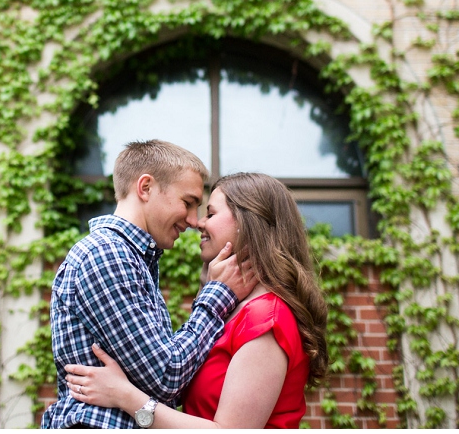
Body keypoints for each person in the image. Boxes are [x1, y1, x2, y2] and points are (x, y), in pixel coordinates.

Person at [63, 172, 329, 429]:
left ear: (249, 222)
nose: (198, 222)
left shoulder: (265, 317)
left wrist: (125, 396)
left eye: (210, 214)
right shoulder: (235, 309)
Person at [42, 140, 257, 429]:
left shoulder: (133, 259)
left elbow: (164, 386)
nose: (194, 220)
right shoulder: (107, 255)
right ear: (145, 188)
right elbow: (166, 376)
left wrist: (126, 394)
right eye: (188, 202)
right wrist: (217, 296)